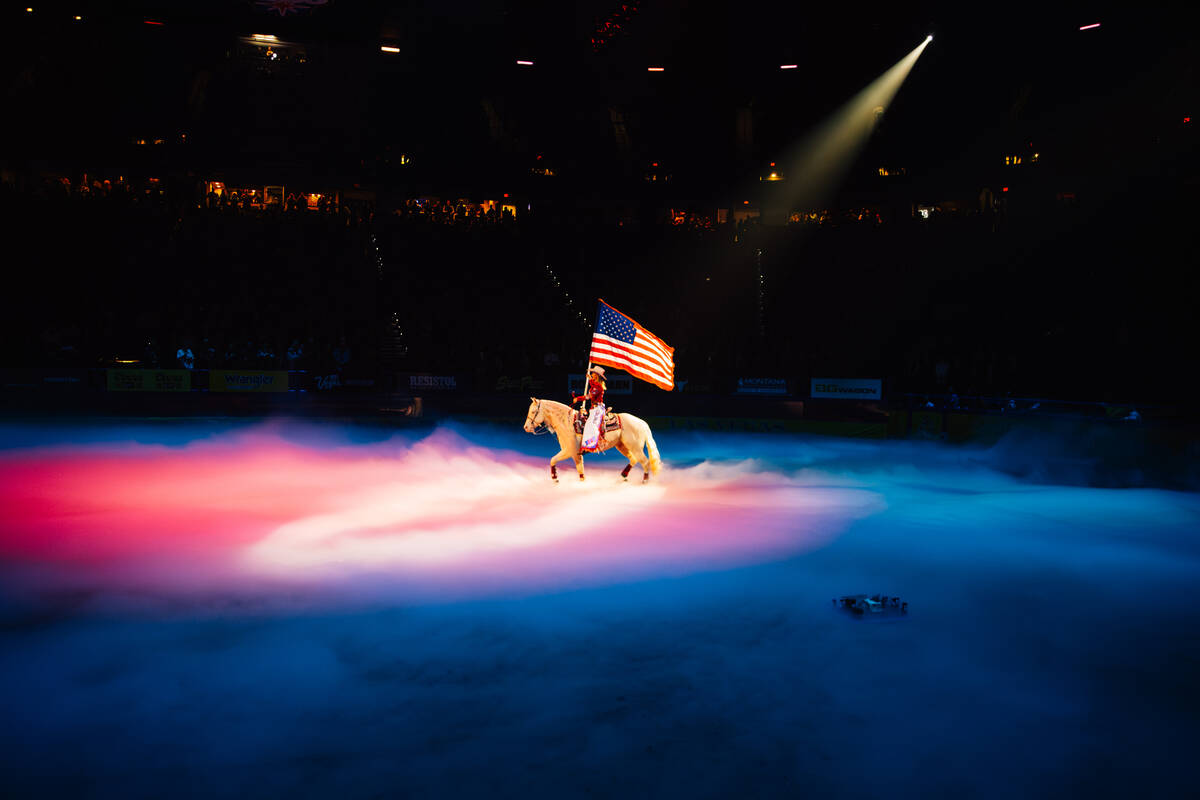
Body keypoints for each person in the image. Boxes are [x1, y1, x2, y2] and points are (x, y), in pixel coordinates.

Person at [573, 365, 607, 451]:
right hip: (594, 408)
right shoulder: (595, 385)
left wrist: (578, 399)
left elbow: (589, 396)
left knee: (591, 426)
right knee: (588, 424)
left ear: (597, 375)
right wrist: (590, 379)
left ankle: (592, 445)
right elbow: (592, 387)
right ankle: (586, 445)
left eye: (593, 373)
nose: (592, 374)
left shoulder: (598, 386)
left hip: (598, 409)